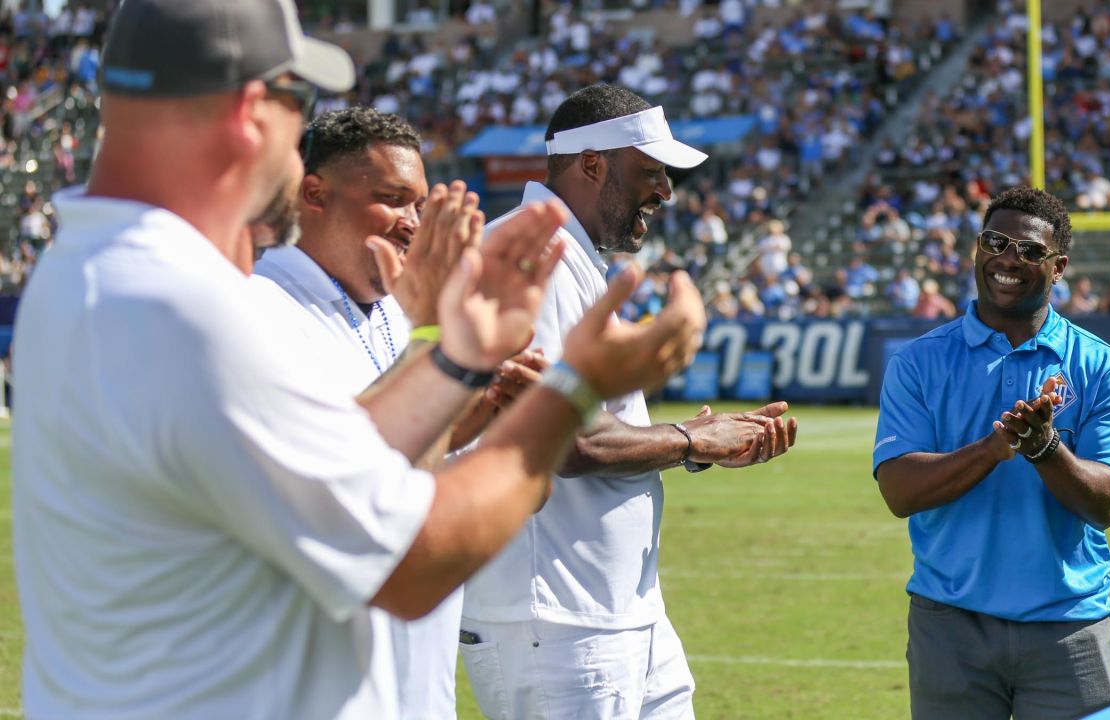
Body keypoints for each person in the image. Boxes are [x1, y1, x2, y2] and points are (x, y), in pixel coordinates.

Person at [10, 3, 706, 718]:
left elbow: (348, 457)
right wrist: (571, 391)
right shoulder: (185, 307)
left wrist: (451, 353)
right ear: (253, 110)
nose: (300, 145)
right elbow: (409, 562)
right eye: (298, 104)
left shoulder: (89, 270)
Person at [460, 84, 799, 720]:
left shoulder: (573, 258)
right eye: (651, 172)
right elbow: (562, 440)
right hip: (557, 620)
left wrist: (693, 444)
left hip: (614, 609)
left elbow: (594, 425)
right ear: (593, 163)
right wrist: (693, 440)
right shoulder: (532, 256)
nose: (666, 193)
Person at [254, 107, 546, 719]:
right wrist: (443, 348)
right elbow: (350, 472)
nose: (413, 224)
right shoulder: (261, 308)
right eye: (393, 200)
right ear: (315, 193)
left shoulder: (393, 308)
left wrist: (492, 409)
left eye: (420, 204)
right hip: (327, 678)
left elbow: (416, 459)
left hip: (417, 664)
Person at [873, 186, 1110, 720]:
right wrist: (995, 449)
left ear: (1058, 266)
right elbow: (900, 493)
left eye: (1030, 250)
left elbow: (1108, 505)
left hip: (1069, 626)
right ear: (976, 248)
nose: (1008, 259)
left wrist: (1046, 449)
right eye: (995, 241)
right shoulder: (918, 362)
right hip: (950, 625)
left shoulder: (1103, 367)